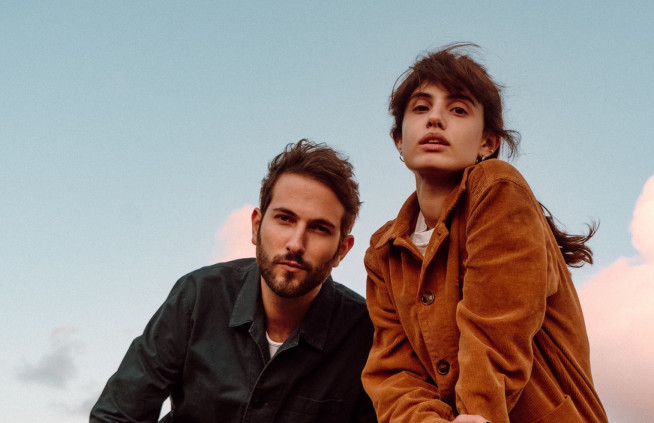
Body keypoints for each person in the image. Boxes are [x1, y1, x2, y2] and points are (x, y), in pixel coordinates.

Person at [361, 44, 608, 423]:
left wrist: (478, 414)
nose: (435, 119)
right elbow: (395, 376)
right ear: (399, 138)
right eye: (421, 108)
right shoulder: (384, 251)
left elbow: (497, 330)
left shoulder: (497, 187)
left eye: (458, 110)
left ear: (487, 143)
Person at [91, 139, 377, 423]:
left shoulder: (366, 335)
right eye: (284, 219)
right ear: (256, 226)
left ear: (342, 250)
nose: (296, 243)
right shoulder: (198, 297)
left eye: (319, 228)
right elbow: (116, 416)